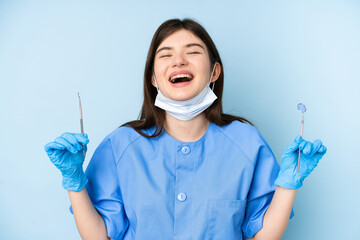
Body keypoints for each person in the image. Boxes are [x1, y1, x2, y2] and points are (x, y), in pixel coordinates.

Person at [44, 18, 327, 240]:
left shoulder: (246, 142)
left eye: (192, 52)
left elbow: (261, 236)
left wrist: (288, 185)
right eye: (165, 55)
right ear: (154, 78)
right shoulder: (120, 145)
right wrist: (74, 182)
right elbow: (100, 236)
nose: (179, 61)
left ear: (214, 72)